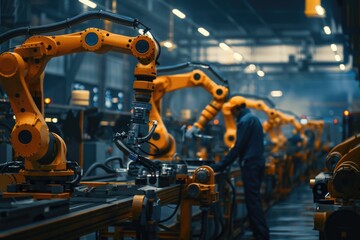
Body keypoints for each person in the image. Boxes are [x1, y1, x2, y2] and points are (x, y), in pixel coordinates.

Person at [210, 104, 270, 240]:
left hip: (251, 165)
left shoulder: (244, 121)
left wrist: (220, 165)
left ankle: (261, 234)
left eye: (232, 112)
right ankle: (259, 232)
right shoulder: (253, 119)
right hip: (257, 163)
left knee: (252, 201)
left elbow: (238, 147)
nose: (232, 115)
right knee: (255, 199)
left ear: (238, 109)